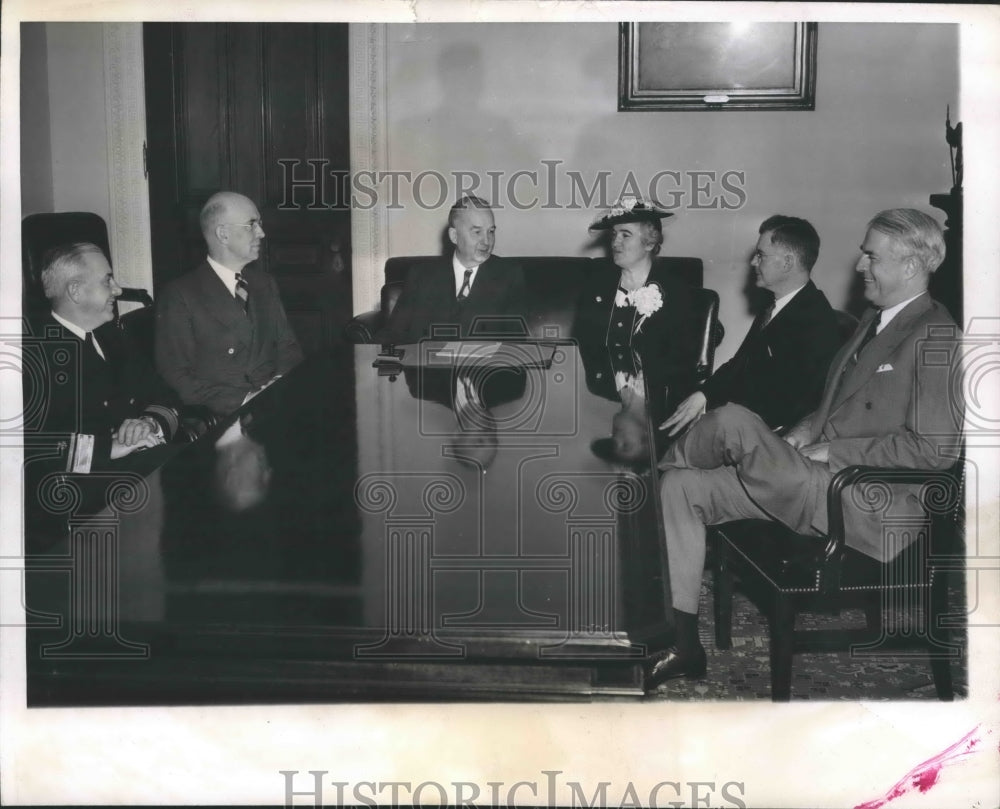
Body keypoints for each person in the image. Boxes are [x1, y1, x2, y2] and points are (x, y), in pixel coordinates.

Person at [647, 209, 962, 689]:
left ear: (911, 266)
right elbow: (834, 407)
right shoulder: (876, 323)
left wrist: (833, 454)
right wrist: (799, 433)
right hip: (818, 480)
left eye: (871, 256)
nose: (859, 267)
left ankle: (638, 489)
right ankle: (684, 645)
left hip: (864, 502)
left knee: (733, 420)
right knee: (681, 487)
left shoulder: (934, 334)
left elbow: (935, 451)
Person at [660, 215, 842, 437]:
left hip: (763, 436)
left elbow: (786, 406)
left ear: (787, 262)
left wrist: (712, 416)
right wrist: (704, 395)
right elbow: (740, 364)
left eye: (761, 255)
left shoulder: (815, 322)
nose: (753, 262)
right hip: (740, 422)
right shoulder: (776, 307)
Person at [24, 242, 182, 475]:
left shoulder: (113, 335)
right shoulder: (32, 355)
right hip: (81, 483)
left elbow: (165, 395)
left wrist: (148, 424)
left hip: (140, 460)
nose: (117, 290)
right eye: (107, 280)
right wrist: (108, 448)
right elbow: (29, 446)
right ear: (75, 290)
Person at [155, 191, 303, 416]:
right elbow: (177, 376)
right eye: (251, 225)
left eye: (259, 224)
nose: (261, 233)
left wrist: (278, 385)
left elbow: (288, 348)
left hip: (276, 405)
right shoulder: (180, 295)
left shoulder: (264, 284)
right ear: (223, 234)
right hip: (225, 415)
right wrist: (246, 400)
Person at [574, 196, 697, 415]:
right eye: (614, 234)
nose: (615, 243)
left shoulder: (676, 292)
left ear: (649, 243)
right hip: (599, 398)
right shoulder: (596, 288)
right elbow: (585, 347)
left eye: (625, 235)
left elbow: (681, 359)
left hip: (656, 402)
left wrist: (643, 390)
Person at [377, 195, 527, 344]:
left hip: (484, 367)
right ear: (454, 236)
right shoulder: (421, 276)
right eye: (477, 232)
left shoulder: (509, 275)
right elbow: (393, 335)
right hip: (427, 366)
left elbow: (516, 344)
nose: (487, 241)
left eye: (491, 231)